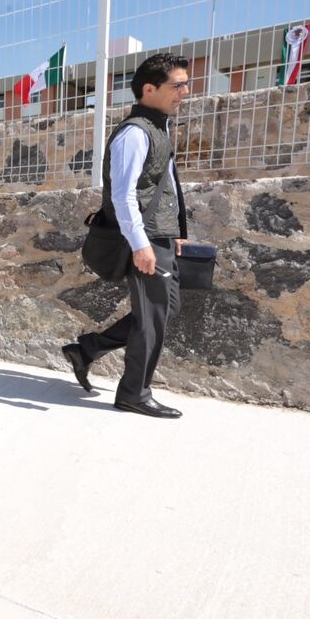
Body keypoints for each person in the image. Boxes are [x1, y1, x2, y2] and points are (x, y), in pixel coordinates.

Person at [62, 53, 191, 419]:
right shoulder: (134, 133)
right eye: (177, 85)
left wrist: (177, 231)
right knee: (151, 319)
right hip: (145, 237)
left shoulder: (159, 125)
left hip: (161, 234)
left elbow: (165, 186)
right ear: (149, 89)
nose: (184, 92)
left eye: (186, 84)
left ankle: (87, 350)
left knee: (165, 310)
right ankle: (134, 393)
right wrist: (141, 245)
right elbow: (123, 195)